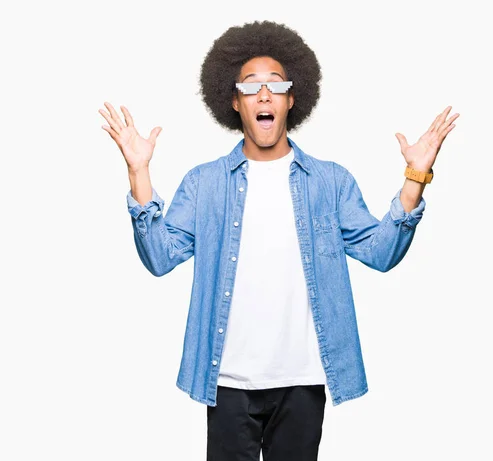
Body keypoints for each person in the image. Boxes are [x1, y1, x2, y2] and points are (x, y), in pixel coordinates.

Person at [99, 19, 459, 461]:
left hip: (302, 381)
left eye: (276, 85)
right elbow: (158, 257)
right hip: (228, 382)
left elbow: (381, 253)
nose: (264, 95)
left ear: (292, 99)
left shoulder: (330, 182)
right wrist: (139, 173)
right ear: (234, 101)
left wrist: (415, 178)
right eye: (251, 87)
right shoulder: (205, 183)